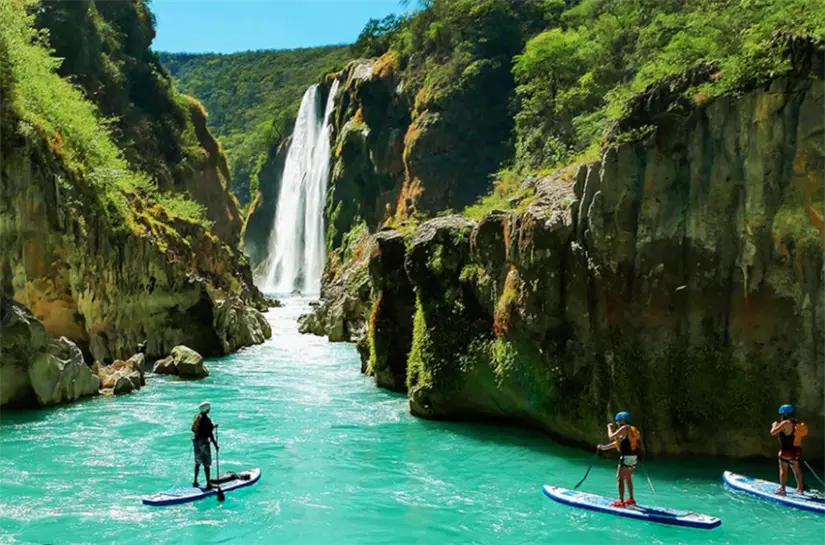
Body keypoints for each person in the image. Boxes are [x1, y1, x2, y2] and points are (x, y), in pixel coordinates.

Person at [598, 411, 641, 507]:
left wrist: (609, 428)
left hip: (626, 458)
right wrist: (604, 447)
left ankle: (621, 501)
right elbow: (617, 443)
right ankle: (631, 499)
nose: (616, 423)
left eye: (617, 421)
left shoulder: (624, 428)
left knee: (619, 478)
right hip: (633, 457)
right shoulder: (630, 430)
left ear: (622, 421)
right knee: (628, 478)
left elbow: (611, 436)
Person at [770, 404, 807, 495]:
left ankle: (782, 490)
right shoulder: (797, 423)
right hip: (796, 451)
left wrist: (774, 425)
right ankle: (800, 489)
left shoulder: (785, 423)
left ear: (783, 414)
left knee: (783, 470)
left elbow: (773, 432)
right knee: (797, 470)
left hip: (786, 451)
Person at [192, 400, 219, 489]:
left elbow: (195, 429)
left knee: (198, 462)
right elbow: (210, 434)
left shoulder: (197, 417)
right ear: (207, 410)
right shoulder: (207, 420)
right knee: (206, 464)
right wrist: (216, 446)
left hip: (196, 442)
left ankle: (195, 482)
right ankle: (208, 484)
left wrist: (212, 426)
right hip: (204, 443)